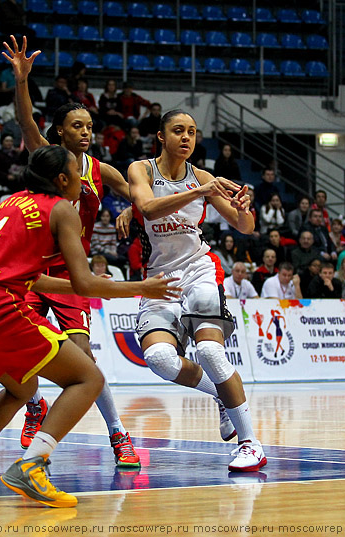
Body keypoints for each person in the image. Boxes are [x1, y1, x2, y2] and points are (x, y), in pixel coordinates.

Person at [0, 144, 179, 507]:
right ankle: (32, 465)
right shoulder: (62, 208)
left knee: (21, 389)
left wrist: (100, 286)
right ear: (62, 179)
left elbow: (36, 280)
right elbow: (85, 284)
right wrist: (141, 287)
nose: (84, 179)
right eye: (77, 173)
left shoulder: (11, 202)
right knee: (88, 378)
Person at [6, 37, 145, 464]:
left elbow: (145, 198)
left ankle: (118, 434)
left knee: (84, 360)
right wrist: (22, 81)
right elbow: (25, 119)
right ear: (60, 131)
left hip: (71, 276)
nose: (86, 132)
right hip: (31, 269)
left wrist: (134, 215)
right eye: (77, 126)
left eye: (89, 126)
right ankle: (33, 406)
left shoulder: (102, 170)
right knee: (14, 352)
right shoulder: (47, 158)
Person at [128, 107, 266, 472]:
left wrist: (243, 208)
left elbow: (244, 226)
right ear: (161, 136)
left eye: (191, 131)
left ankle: (251, 443)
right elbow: (148, 208)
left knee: (209, 350)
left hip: (200, 270)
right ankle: (219, 394)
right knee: (159, 359)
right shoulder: (141, 170)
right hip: (159, 278)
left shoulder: (201, 176)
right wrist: (202, 190)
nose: (186, 137)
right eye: (178, 131)